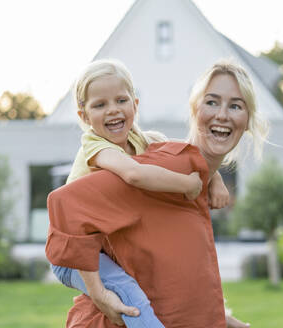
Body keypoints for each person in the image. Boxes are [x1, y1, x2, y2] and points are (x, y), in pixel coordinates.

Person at [46, 58, 267, 327]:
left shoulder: (141, 142)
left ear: (135, 105)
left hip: (100, 255)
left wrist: (213, 177)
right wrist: (98, 293)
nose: (112, 110)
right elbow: (71, 204)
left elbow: (170, 282)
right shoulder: (99, 148)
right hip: (72, 257)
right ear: (83, 116)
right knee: (129, 296)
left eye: (120, 101)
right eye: (100, 105)